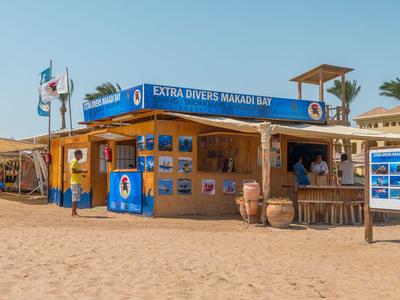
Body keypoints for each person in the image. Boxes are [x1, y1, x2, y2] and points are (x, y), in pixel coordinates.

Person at [70, 150, 87, 216]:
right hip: (75, 182)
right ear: (77, 155)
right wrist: (82, 171)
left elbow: (75, 172)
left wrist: (81, 174)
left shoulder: (76, 162)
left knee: (76, 197)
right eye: (81, 154)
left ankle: (74, 212)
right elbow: (73, 171)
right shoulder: (74, 161)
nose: (82, 155)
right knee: (74, 198)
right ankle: (73, 212)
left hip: (76, 182)